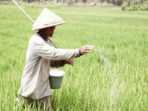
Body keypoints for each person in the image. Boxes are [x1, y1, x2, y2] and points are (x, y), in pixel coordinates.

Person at [18, 8, 94, 111]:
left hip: (43, 86)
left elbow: (47, 60)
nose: (54, 29)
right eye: (51, 27)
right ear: (44, 28)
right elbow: (53, 53)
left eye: (54, 27)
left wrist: (63, 61)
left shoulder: (46, 41)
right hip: (31, 86)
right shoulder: (36, 41)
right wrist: (78, 52)